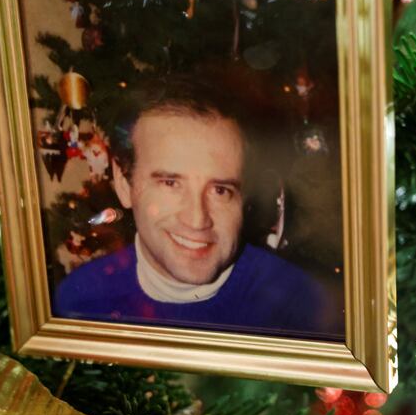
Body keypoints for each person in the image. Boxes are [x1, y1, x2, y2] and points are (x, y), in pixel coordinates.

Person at [54, 77, 344, 340]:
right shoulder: (77, 303)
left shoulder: (304, 312)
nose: (197, 220)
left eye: (220, 190)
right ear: (123, 183)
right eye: (170, 183)